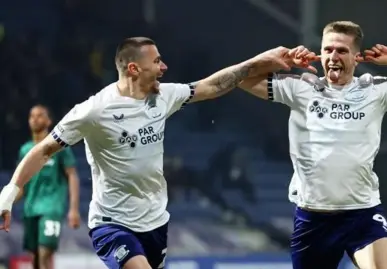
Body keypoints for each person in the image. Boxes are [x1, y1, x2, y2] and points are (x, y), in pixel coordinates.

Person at [0, 37, 316, 269]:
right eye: (157, 62)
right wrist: (10, 193)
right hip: (112, 224)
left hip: (155, 223)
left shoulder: (164, 96)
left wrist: (264, 59)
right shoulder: (94, 111)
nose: (164, 67)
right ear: (134, 68)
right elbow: (43, 151)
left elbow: (213, 86)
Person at [239, 21, 387, 269]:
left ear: (357, 57)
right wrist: (274, 60)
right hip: (313, 218)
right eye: (328, 50)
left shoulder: (375, 89)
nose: (333, 56)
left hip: (361, 214)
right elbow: (241, 79)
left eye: (341, 50)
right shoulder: (300, 87)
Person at [17, 105, 81, 269]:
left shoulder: (59, 147)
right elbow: (20, 185)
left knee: (45, 255)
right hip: (30, 209)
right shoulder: (25, 150)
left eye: (40, 115)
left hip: (51, 208)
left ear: (49, 121)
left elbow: (72, 175)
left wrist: (73, 209)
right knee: (35, 260)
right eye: (32, 116)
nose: (35, 119)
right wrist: (5, 205)